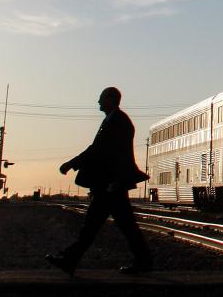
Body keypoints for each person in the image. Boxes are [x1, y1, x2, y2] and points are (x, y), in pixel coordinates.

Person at [46, 86, 154, 275]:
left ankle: (70, 260)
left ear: (111, 100)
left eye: (101, 98)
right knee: (106, 225)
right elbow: (97, 149)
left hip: (111, 185)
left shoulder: (118, 122)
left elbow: (113, 153)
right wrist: (73, 163)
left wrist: (73, 164)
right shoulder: (114, 120)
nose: (98, 102)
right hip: (109, 184)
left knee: (100, 225)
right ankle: (70, 260)